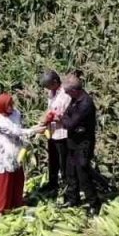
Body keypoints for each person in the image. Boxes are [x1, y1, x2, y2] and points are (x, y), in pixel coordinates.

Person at [0, 93, 45, 214]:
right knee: (5, 180)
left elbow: (20, 126)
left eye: (11, 103)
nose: (11, 106)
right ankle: (0, 208)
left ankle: (16, 202)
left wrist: (32, 132)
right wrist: (34, 130)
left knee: (18, 178)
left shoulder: (15, 113)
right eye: (8, 105)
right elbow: (15, 131)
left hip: (17, 151)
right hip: (5, 154)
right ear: (1, 107)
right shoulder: (0, 122)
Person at [57, 72, 100, 212]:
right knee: (71, 173)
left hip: (83, 144)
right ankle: (72, 199)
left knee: (83, 174)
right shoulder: (75, 99)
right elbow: (68, 117)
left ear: (75, 91)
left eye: (68, 92)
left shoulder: (85, 104)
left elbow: (70, 123)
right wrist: (65, 118)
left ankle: (94, 204)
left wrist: (60, 118)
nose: (67, 95)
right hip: (73, 141)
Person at [39, 69, 71, 196]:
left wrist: (54, 117)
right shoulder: (51, 93)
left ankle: (66, 187)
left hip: (62, 133)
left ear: (55, 81)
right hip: (51, 132)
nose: (47, 89)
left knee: (63, 162)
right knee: (52, 161)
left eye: (48, 86)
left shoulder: (66, 94)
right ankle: (52, 184)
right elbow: (50, 109)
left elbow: (67, 115)